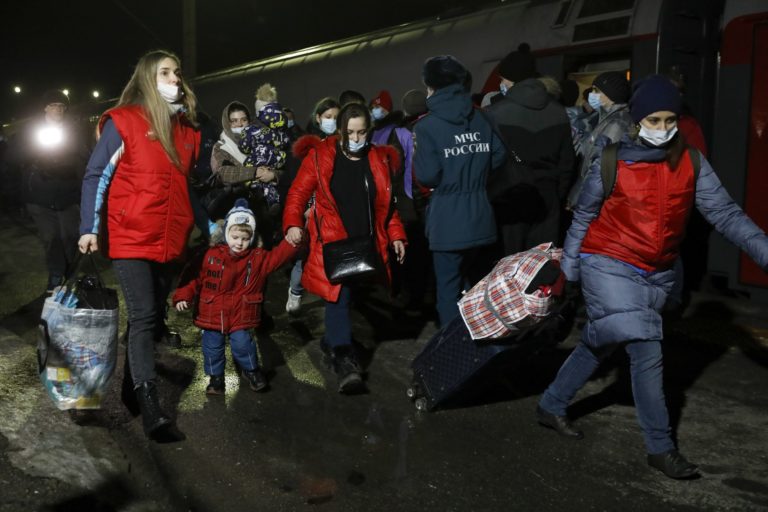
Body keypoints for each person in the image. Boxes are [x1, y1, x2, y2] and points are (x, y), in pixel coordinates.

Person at [535, 75, 768, 479]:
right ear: (638, 121)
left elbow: (727, 215)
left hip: (657, 270)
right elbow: (584, 216)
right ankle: (660, 448)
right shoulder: (611, 161)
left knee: (601, 340)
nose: (663, 128)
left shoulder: (691, 162)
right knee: (646, 346)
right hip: (607, 262)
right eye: (654, 120)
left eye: (670, 120)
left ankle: (550, 404)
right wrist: (569, 268)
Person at [79, 50, 202, 440]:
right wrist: (89, 227)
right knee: (145, 316)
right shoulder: (125, 121)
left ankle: (132, 390)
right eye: (164, 73)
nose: (175, 79)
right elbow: (97, 174)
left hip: (170, 240)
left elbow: (186, 187)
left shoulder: (187, 130)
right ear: (148, 79)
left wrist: (208, 223)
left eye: (177, 72)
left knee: (147, 318)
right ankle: (151, 407)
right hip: (130, 235)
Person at [283, 102, 407, 393]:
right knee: (338, 295)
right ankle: (343, 359)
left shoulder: (378, 158)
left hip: (366, 242)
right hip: (332, 242)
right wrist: (292, 224)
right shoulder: (320, 156)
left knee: (349, 295)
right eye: (350, 132)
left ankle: (332, 340)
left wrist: (397, 235)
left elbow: (387, 207)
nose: (356, 138)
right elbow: (297, 193)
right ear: (340, 131)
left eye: (361, 132)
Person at [413, 55, 507, 327]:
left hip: (448, 220)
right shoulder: (481, 118)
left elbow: (427, 175)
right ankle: (482, 335)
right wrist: (474, 177)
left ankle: (456, 346)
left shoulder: (427, 126)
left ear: (431, 86)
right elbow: (498, 156)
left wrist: (452, 177)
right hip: (481, 215)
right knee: (474, 283)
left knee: (447, 291)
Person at [173, 199, 298, 394]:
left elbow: (278, 257)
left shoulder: (257, 258)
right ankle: (216, 378)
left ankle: (252, 370)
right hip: (212, 311)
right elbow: (193, 276)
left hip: (241, 314)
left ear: (252, 238)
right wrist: (183, 295)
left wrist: (293, 242)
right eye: (235, 236)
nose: (239, 243)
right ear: (226, 233)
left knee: (243, 344)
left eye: (245, 238)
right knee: (212, 347)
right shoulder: (210, 255)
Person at [486, 45, 575, 256]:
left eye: (503, 78)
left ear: (510, 79)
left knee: (509, 262)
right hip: (548, 196)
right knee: (542, 261)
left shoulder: (494, 113)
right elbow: (567, 162)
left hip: (510, 196)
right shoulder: (559, 112)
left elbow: (490, 162)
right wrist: (557, 194)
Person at [16, 90, 90, 292]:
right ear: (45, 108)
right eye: (53, 105)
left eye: (61, 106)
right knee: (51, 238)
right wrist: (35, 153)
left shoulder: (74, 131)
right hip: (40, 195)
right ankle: (56, 273)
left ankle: (70, 271)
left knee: (70, 235)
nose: (58, 109)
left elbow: (84, 157)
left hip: (68, 194)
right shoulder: (32, 130)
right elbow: (16, 155)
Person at [282, 97, 342, 314]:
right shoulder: (308, 147)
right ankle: (295, 291)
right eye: (328, 117)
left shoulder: (345, 146)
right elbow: (299, 185)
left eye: (336, 117)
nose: (332, 121)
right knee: (307, 256)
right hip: (313, 212)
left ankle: (334, 299)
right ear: (318, 118)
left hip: (336, 214)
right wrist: (307, 209)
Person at [566, 71, 632, 209]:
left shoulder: (616, 124)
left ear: (611, 94)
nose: (592, 94)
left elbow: (598, 168)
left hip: (595, 201)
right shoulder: (605, 118)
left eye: (596, 90)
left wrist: (582, 202)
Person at [238, 83, 288, 211]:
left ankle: (258, 192)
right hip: (277, 161)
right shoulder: (283, 128)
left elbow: (244, 147)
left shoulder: (250, 130)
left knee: (254, 180)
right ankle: (273, 200)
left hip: (257, 162)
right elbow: (285, 144)